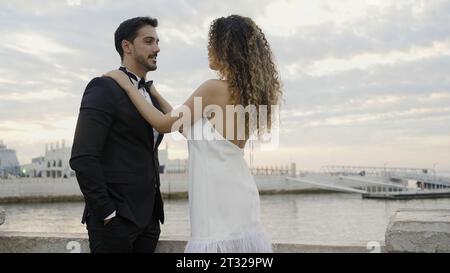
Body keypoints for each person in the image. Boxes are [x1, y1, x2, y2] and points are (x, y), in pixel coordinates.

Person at [105, 14, 282, 253]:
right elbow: (184, 126)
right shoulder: (249, 94)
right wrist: (154, 94)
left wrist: (127, 85)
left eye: (213, 43)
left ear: (227, 48)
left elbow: (164, 124)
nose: (209, 49)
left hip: (216, 200)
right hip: (239, 195)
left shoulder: (213, 89)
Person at [70, 16, 166, 253]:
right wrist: (108, 214)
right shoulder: (103, 87)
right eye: (149, 41)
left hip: (149, 222)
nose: (157, 48)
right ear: (127, 46)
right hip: (115, 222)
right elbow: (83, 157)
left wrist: (152, 217)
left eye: (157, 41)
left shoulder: (150, 96)